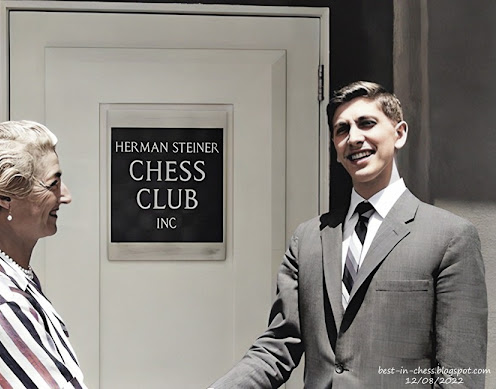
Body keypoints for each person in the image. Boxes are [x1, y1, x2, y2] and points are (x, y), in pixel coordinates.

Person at [209, 81, 487, 388]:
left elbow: (460, 377)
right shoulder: (309, 239)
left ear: (400, 133)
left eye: (366, 123)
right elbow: (278, 347)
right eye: (342, 130)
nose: (354, 138)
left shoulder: (450, 237)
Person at [0, 120, 86, 388]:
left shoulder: (6, 276)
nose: (65, 196)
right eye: (53, 184)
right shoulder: (2, 306)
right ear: (6, 197)